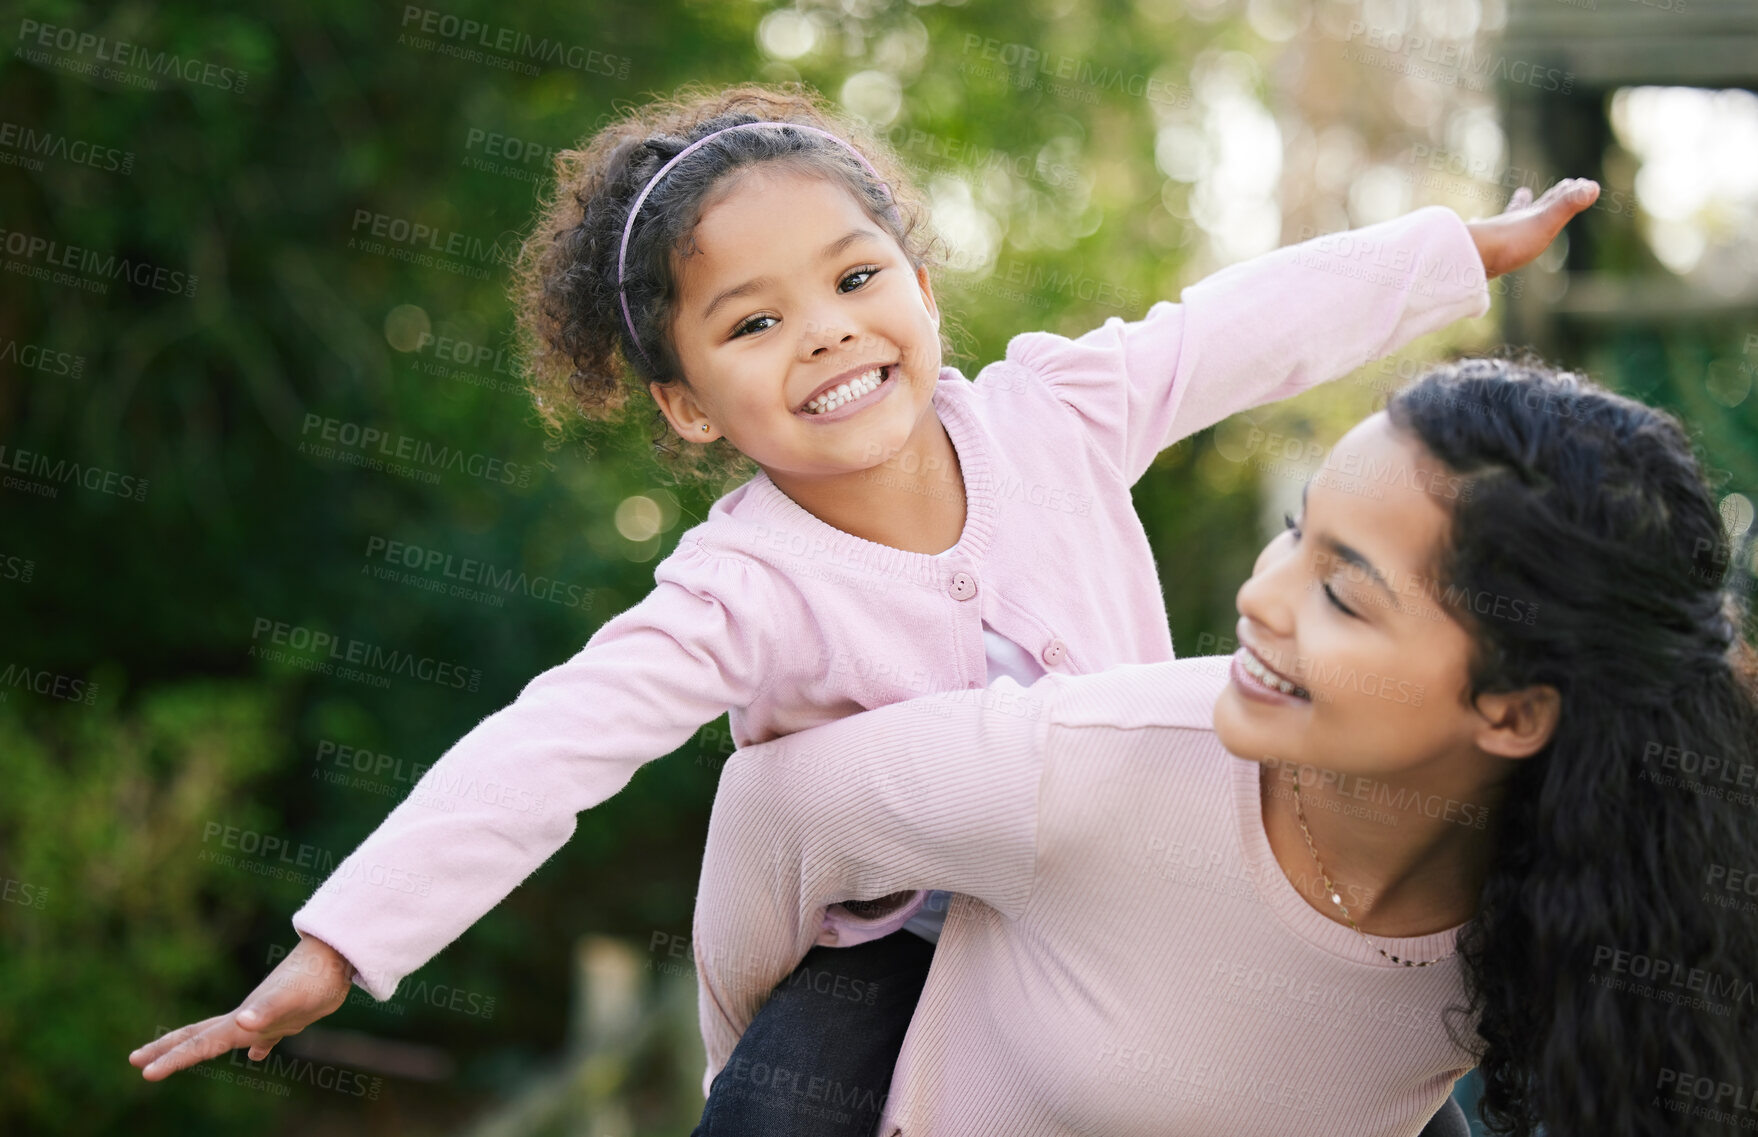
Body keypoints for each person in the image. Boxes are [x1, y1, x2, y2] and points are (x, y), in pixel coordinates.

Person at [127, 82, 1594, 1133]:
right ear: (686, 405)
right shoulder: (733, 585)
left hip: (1149, 856)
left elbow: (1233, 329)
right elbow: (547, 747)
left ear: (915, 280)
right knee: (780, 1102)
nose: (824, 328)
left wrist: (1452, 254)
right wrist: (337, 950)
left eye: (853, 274)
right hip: (891, 942)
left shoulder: (1052, 413)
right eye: (751, 322)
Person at [692, 357, 1758, 1136]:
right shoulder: (1092, 765)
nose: (1260, 594)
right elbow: (777, 810)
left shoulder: (1568, 895)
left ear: (1515, 713)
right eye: (1297, 533)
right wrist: (766, 1078)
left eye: (1341, 592)